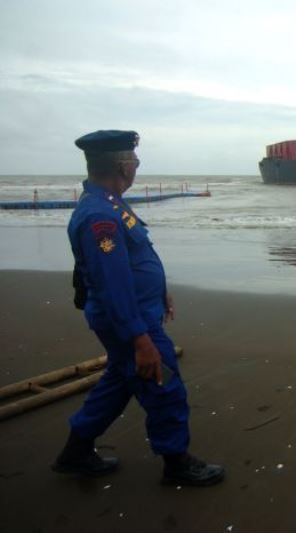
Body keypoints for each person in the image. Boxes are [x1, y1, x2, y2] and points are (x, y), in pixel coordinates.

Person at [52, 130, 224, 486]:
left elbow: (132, 261)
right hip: (128, 322)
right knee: (164, 386)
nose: (137, 168)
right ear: (122, 165)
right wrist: (139, 339)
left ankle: (76, 451)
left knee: (119, 383)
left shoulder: (111, 202)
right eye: (135, 161)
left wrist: (160, 292)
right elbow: (111, 285)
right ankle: (177, 462)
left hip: (135, 313)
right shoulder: (99, 216)